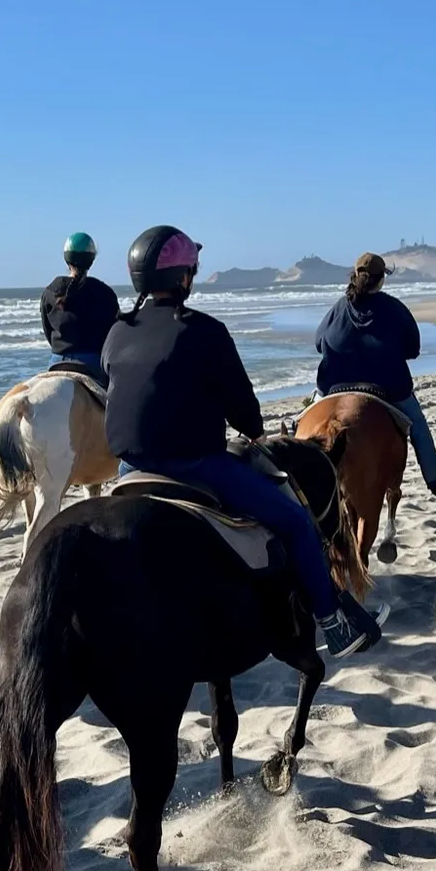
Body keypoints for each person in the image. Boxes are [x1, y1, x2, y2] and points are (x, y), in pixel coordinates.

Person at [103, 225, 381, 659]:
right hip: (194, 465)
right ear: (183, 278)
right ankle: (334, 621)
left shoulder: (118, 331)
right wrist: (253, 429)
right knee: (294, 521)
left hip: (129, 468)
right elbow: (241, 405)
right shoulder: (205, 331)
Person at [313, 253, 436, 498]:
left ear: (355, 276)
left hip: (333, 385)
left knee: (305, 423)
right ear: (381, 281)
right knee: (418, 426)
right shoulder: (394, 308)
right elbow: (413, 349)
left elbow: (319, 343)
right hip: (388, 386)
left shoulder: (337, 309)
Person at [40, 232, 121, 379]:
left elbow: (48, 331)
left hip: (57, 361)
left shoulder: (49, 292)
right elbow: (114, 334)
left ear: (66, 258)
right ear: (91, 260)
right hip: (92, 363)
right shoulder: (104, 293)